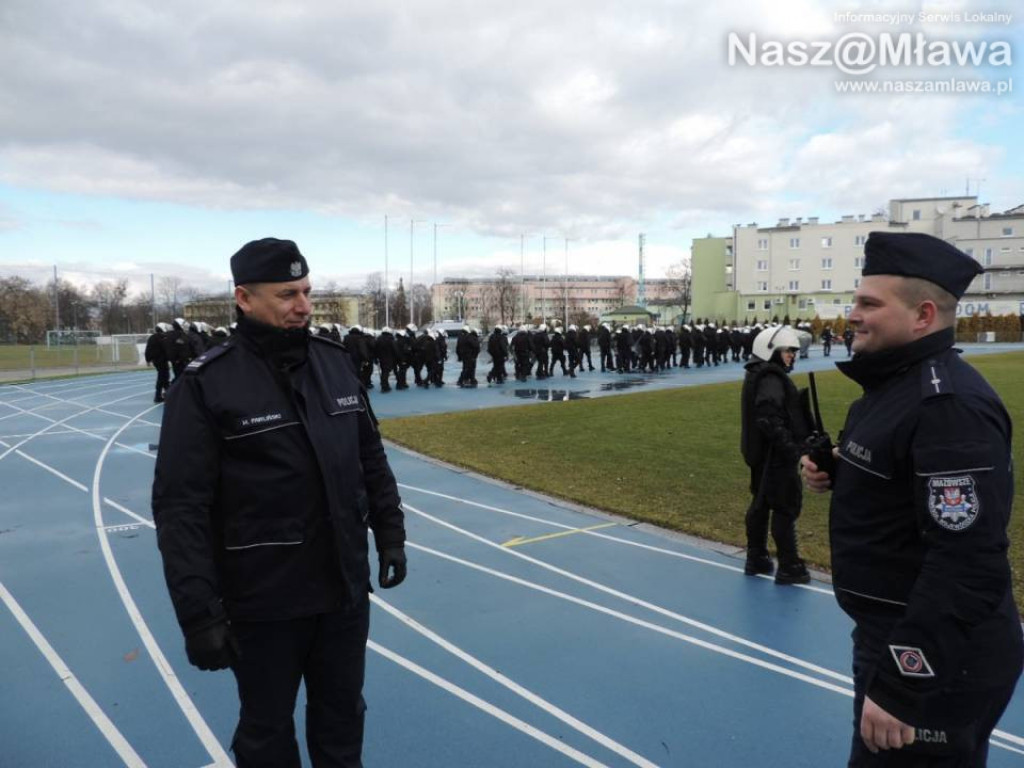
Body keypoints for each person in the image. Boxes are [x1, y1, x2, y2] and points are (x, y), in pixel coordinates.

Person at [152, 238, 407, 768]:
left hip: (341, 590)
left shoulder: (334, 364)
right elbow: (181, 508)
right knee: (266, 732)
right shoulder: (206, 385)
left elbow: (370, 459)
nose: (304, 306)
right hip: (264, 600)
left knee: (342, 717)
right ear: (244, 298)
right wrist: (198, 614)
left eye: (307, 292)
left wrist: (390, 533)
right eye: (287, 294)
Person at [802, 232, 1022, 767]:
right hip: (897, 631)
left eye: (868, 304)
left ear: (923, 316)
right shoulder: (895, 386)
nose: (851, 315)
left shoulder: (947, 407)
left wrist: (903, 681)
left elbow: (967, 562)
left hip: (936, 657)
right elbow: (900, 477)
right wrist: (839, 468)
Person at [739, 325, 812, 585]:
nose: (792, 355)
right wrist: (795, 452)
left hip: (763, 454)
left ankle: (756, 557)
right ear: (771, 351)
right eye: (787, 351)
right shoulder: (770, 378)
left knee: (761, 504)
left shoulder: (758, 374)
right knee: (784, 506)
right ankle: (789, 564)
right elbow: (769, 419)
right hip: (775, 456)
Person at [144, 323, 172, 403]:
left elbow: (148, 349)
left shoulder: (152, 337)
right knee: (163, 377)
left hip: (156, 361)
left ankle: (167, 394)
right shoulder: (163, 337)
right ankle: (158, 396)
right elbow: (167, 349)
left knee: (164, 377)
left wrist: (148, 360)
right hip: (161, 360)